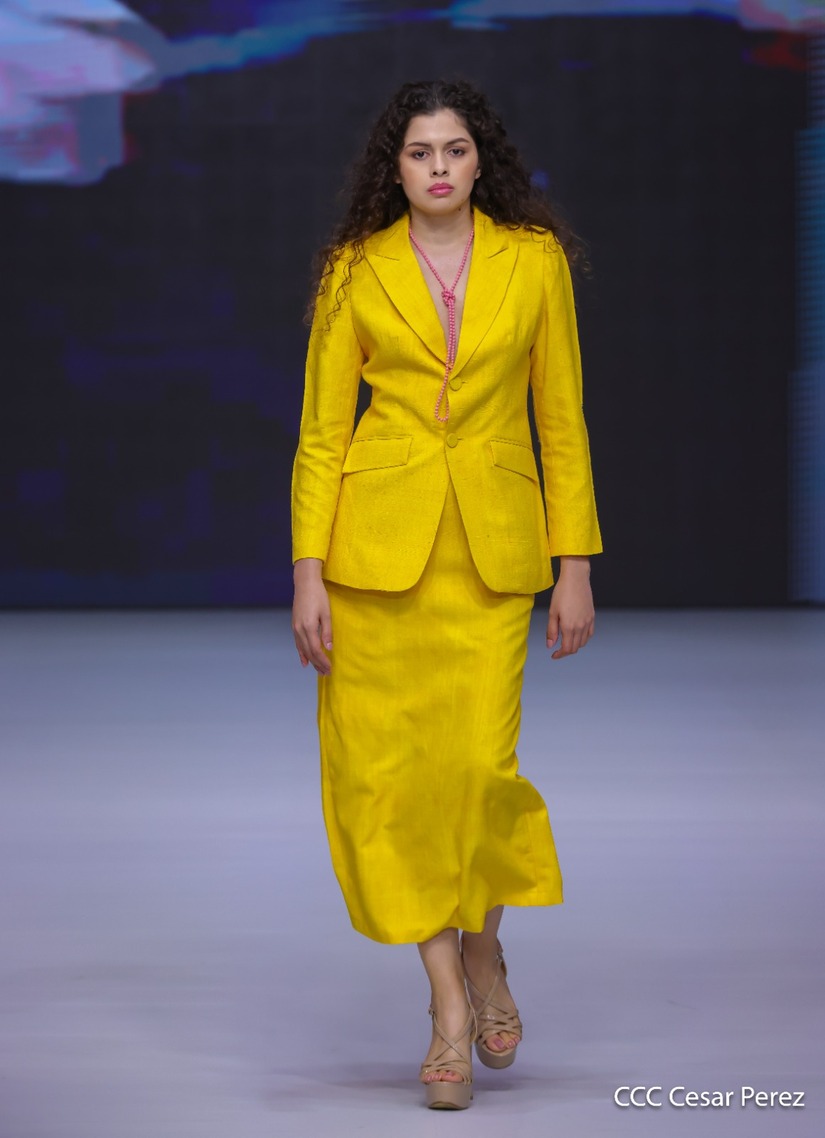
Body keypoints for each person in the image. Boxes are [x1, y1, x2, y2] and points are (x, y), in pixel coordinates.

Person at [291, 78, 602, 1110]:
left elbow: (560, 419)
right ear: (394, 167)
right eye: (419, 151)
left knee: (477, 772)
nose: (437, 167)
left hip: (491, 552)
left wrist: (574, 564)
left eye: (454, 149)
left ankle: (484, 950)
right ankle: (446, 1009)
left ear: (480, 160)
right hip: (373, 560)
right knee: (391, 783)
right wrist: (305, 572)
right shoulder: (353, 268)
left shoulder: (535, 260)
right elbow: (322, 434)